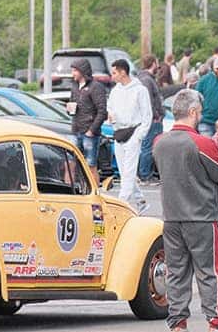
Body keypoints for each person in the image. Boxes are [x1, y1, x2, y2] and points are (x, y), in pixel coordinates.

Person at [154, 89, 218, 332]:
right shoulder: (201, 143)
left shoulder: (160, 143)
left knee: (177, 271)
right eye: (199, 112)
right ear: (192, 112)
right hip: (201, 217)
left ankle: (178, 324)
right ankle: (215, 324)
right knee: (209, 271)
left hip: (171, 216)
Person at [106, 58, 152, 214]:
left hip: (134, 131)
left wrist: (139, 136)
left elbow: (147, 115)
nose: (112, 76)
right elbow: (110, 108)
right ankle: (140, 201)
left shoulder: (140, 90)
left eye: (114, 72)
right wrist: (112, 118)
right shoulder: (115, 91)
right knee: (124, 170)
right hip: (119, 132)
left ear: (123, 72)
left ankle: (120, 205)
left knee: (129, 171)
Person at [68, 58, 108, 174]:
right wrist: (70, 108)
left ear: (82, 71)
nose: (72, 74)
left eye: (75, 70)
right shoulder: (74, 86)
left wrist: (91, 130)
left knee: (90, 165)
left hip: (89, 132)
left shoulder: (96, 87)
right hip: (75, 130)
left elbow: (102, 111)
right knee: (70, 162)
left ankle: (94, 191)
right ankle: (69, 190)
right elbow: (72, 104)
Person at [135, 55, 166, 182]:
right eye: (157, 62)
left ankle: (147, 173)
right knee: (148, 147)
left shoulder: (146, 79)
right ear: (153, 63)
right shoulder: (147, 80)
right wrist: (155, 115)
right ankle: (145, 174)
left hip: (152, 118)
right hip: (152, 120)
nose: (158, 65)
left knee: (149, 147)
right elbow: (148, 101)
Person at [195, 57, 218, 136]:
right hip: (205, 120)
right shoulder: (204, 80)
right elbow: (196, 98)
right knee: (207, 146)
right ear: (213, 68)